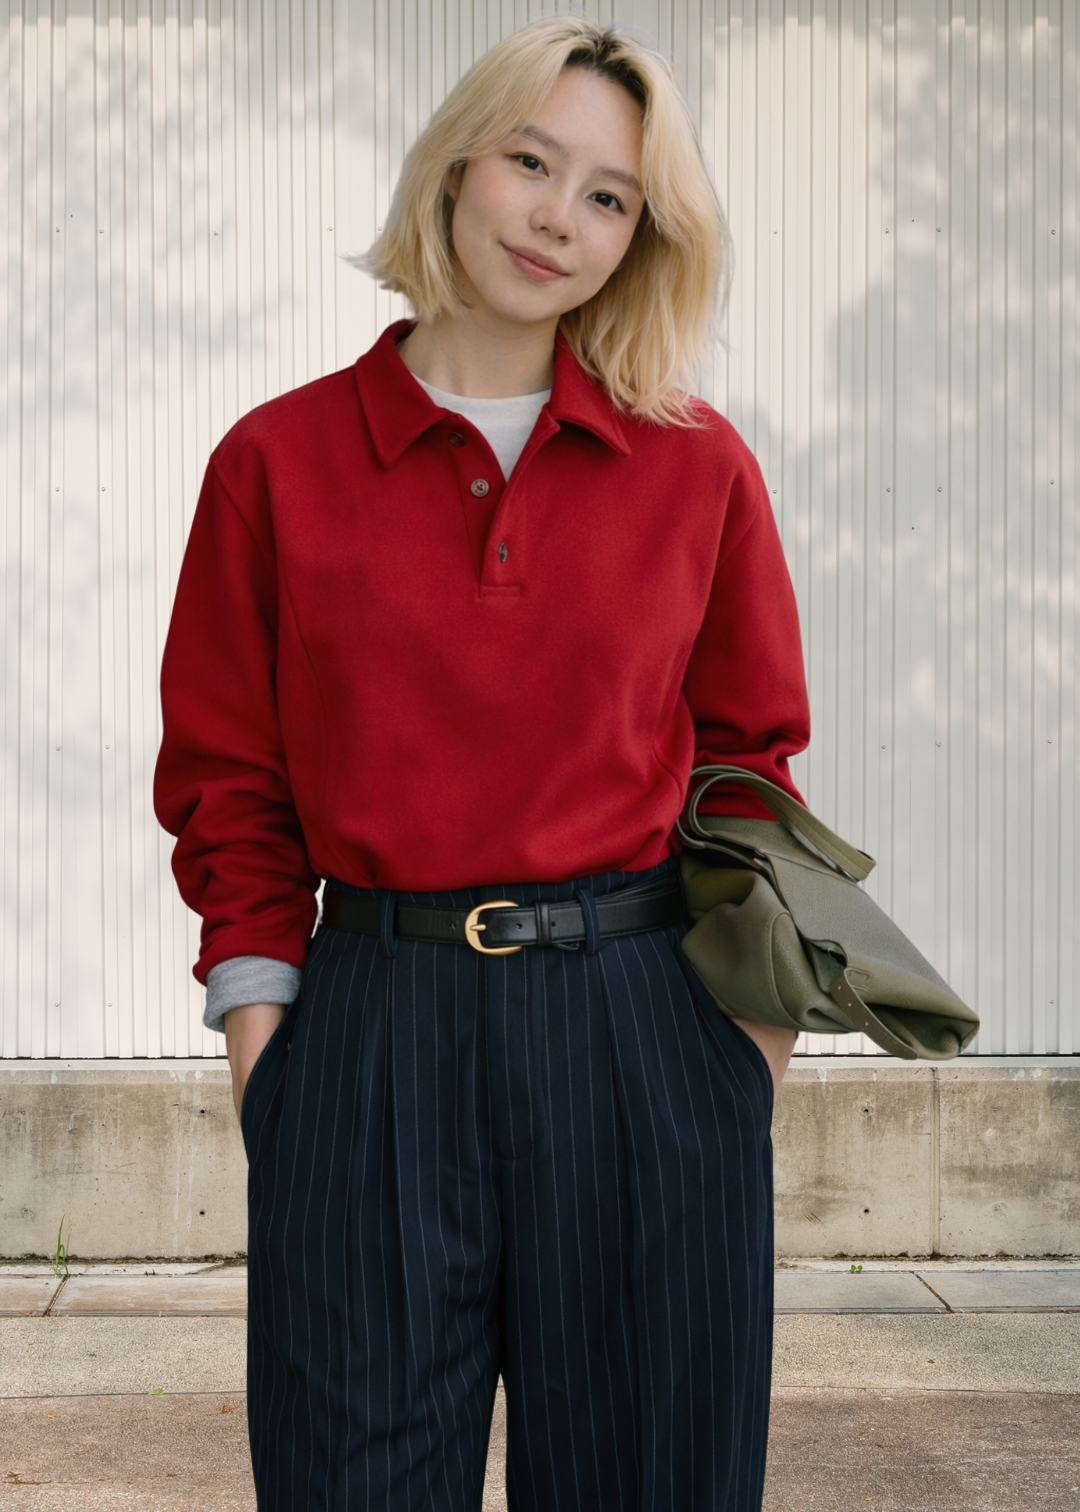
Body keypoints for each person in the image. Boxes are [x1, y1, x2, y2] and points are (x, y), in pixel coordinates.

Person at [155, 17, 809, 1511]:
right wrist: (269, 1044)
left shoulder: (697, 465)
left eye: (609, 195)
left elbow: (753, 774)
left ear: (642, 237)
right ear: (459, 163)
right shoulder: (277, 462)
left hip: (646, 1030)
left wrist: (740, 1066)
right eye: (534, 161)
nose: (557, 218)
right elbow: (228, 779)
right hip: (378, 1035)